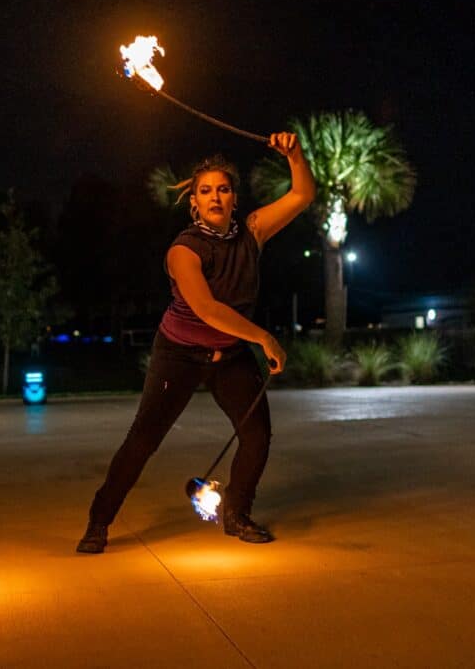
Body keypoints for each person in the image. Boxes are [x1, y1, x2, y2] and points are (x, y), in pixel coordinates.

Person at [77, 132, 315, 554]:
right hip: (179, 354)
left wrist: (295, 155)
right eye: (206, 191)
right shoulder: (183, 251)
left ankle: (237, 515)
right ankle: (99, 521)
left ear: (234, 199)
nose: (215, 197)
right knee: (144, 440)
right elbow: (206, 309)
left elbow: (301, 194)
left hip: (231, 354)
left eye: (223, 189)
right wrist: (264, 338)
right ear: (194, 202)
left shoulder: (253, 233)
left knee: (257, 435)